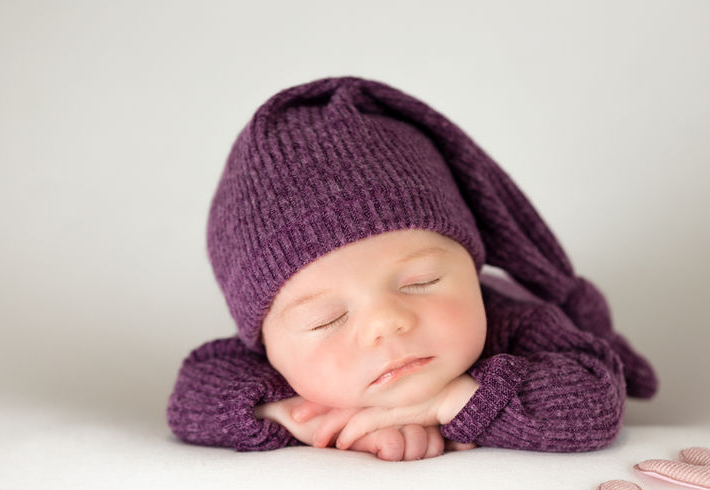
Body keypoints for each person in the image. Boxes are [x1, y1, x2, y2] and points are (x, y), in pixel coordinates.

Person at [167, 76, 657, 460]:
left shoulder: (516, 324)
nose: (385, 322)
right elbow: (190, 397)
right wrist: (293, 415)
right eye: (325, 320)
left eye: (422, 282)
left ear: (471, 267)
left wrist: (449, 403)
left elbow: (596, 398)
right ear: (268, 345)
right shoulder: (280, 373)